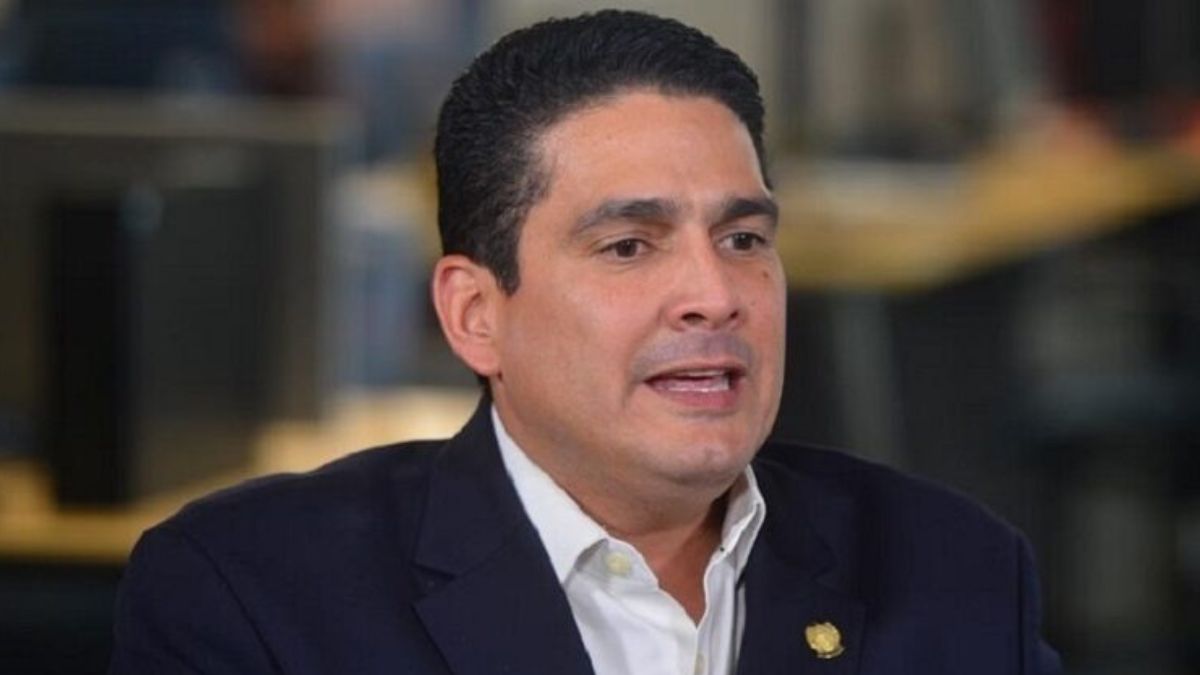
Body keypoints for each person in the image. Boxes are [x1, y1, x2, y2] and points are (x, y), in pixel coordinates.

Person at [109, 10, 1061, 675]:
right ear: (475, 314)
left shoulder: (955, 570)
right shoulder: (254, 597)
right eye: (628, 246)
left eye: (743, 239)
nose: (714, 296)